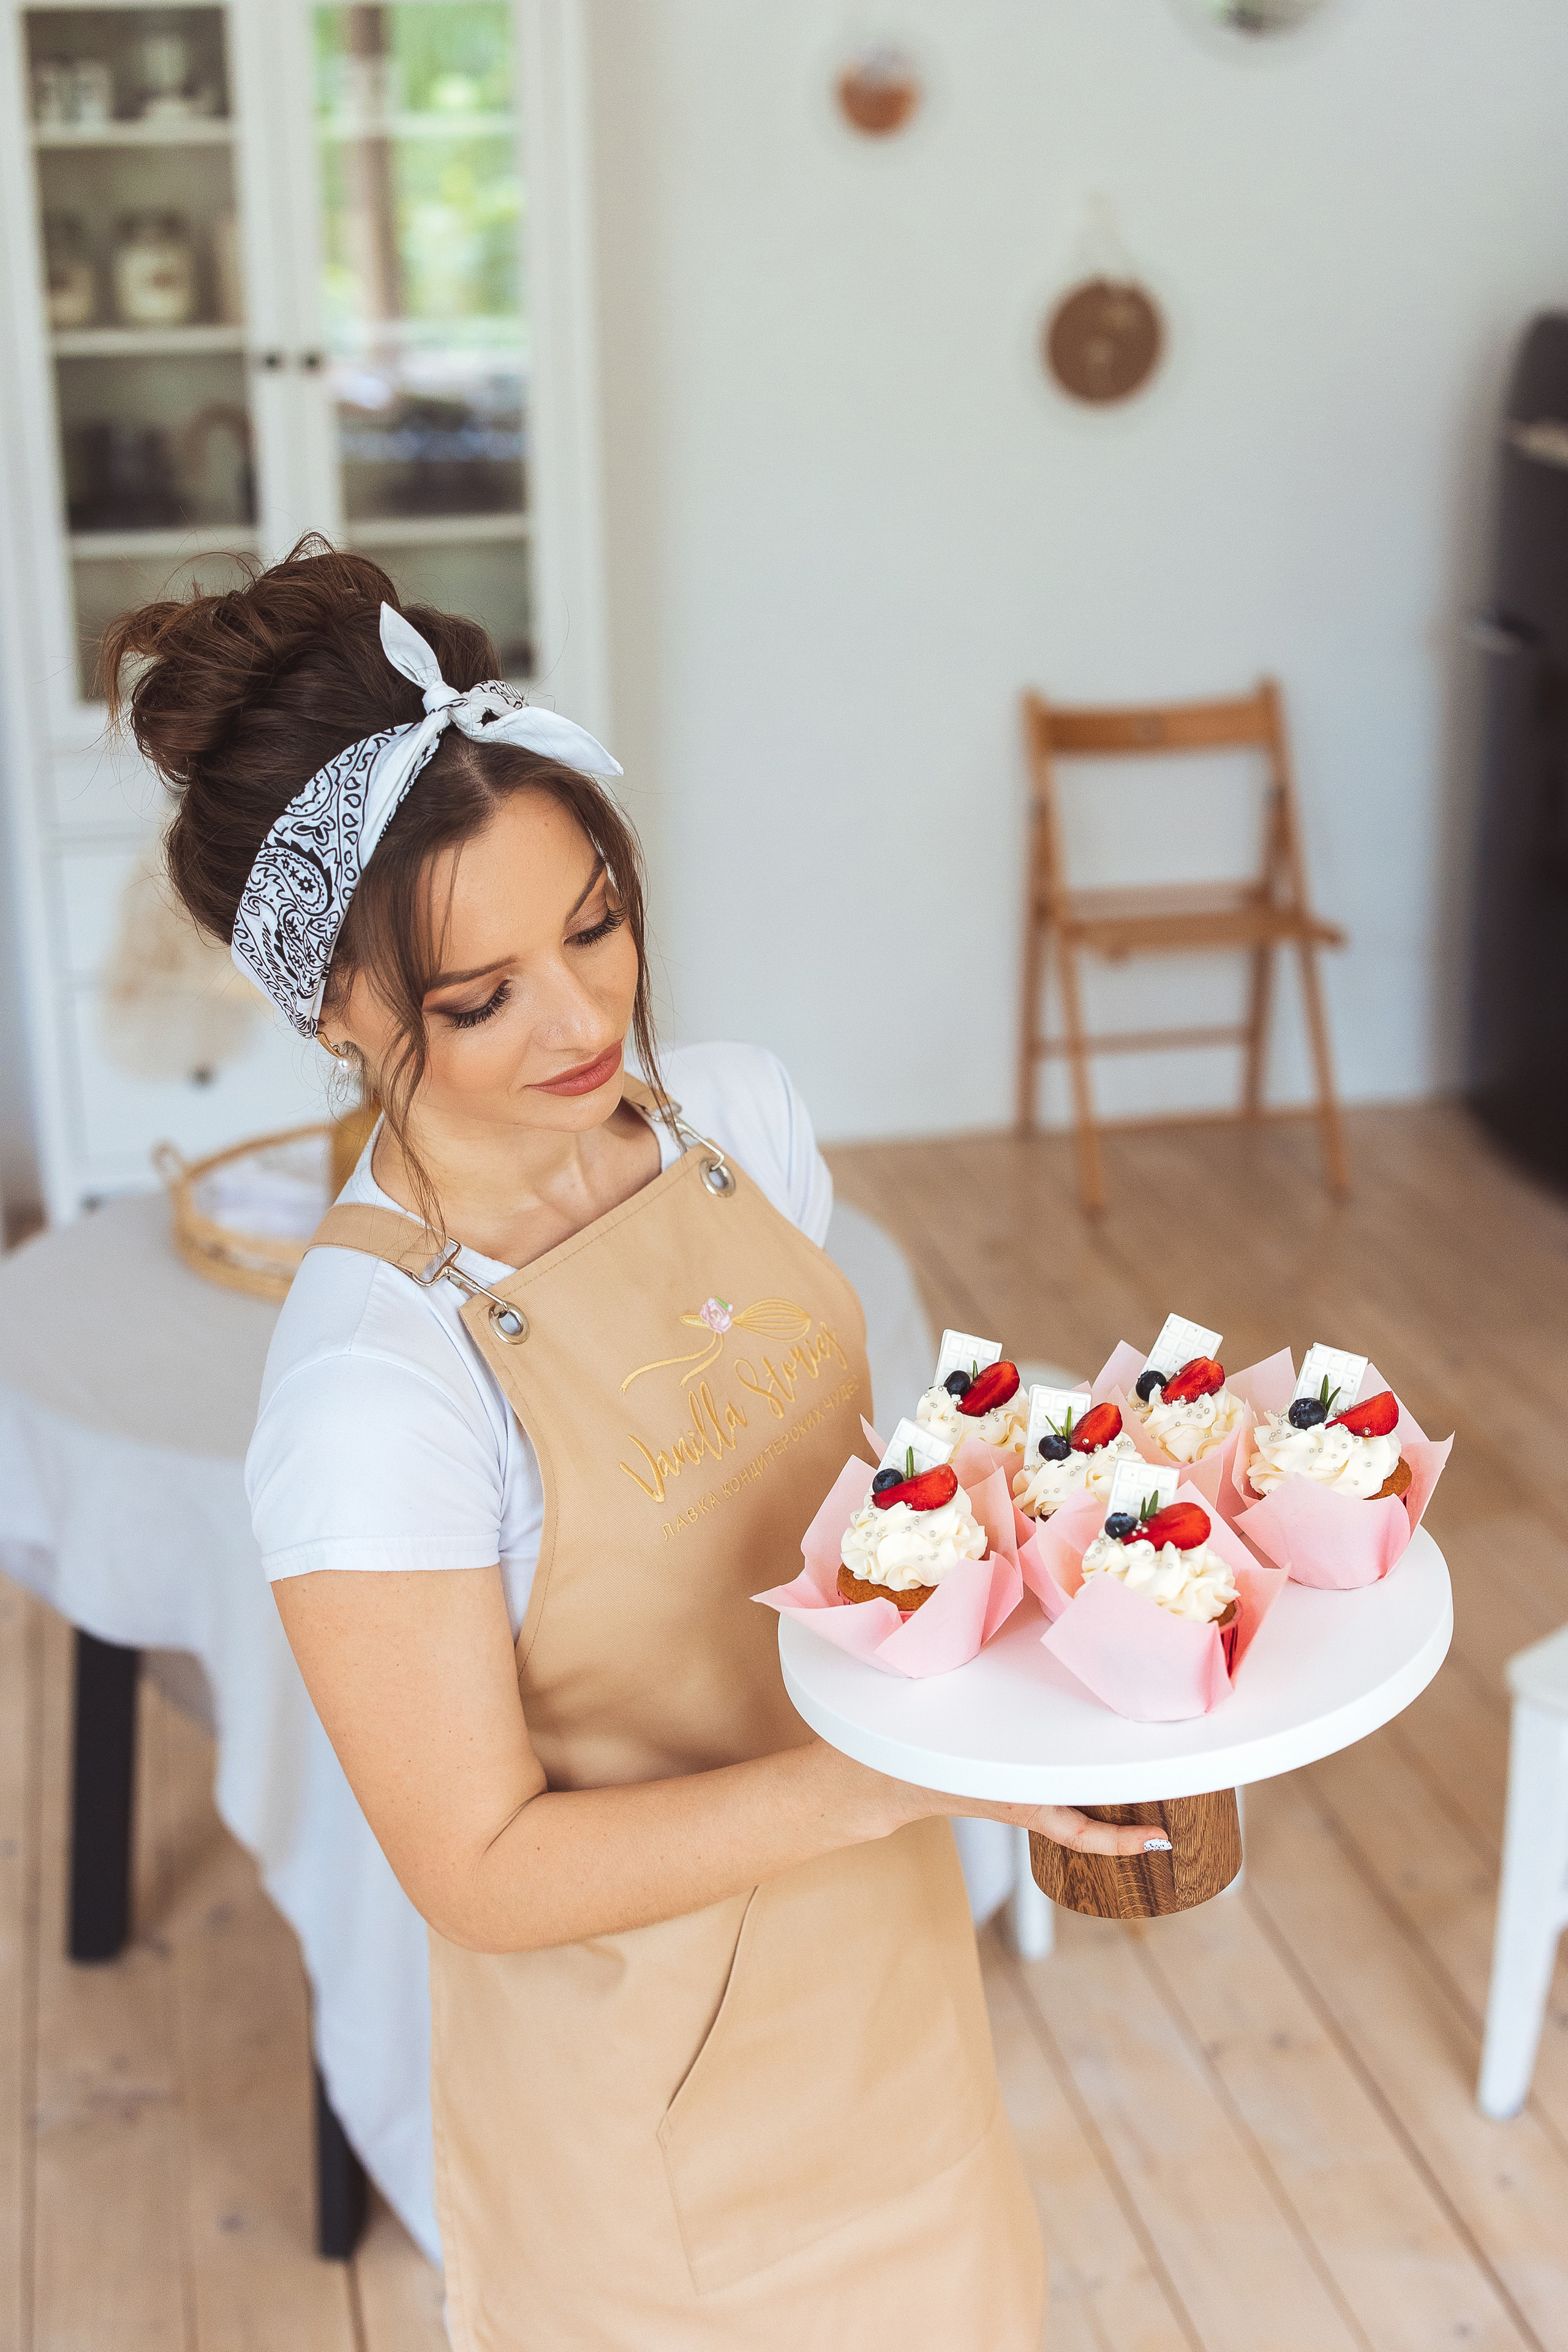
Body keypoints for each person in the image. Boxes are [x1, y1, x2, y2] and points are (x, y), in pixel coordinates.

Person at [106, 543, 1158, 2350]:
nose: (587, 1020)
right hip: (655, 2121)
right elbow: (481, 1871)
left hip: (894, 1987)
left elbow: (847, 1531)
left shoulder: (738, 1117)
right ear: (343, 1011)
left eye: (595, 926)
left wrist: (1081, 1566)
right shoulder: (378, 1386)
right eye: (479, 996)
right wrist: (903, 1777)